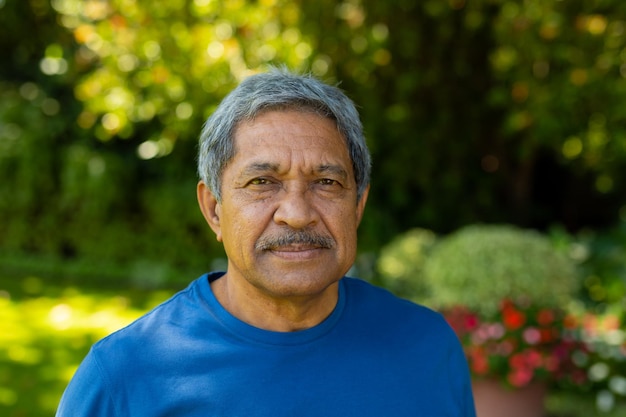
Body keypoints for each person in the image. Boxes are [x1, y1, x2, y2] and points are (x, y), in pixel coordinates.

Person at [56, 68, 476, 416]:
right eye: (262, 182)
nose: (296, 212)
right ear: (213, 209)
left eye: (326, 182)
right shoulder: (124, 377)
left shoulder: (426, 346)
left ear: (358, 206)